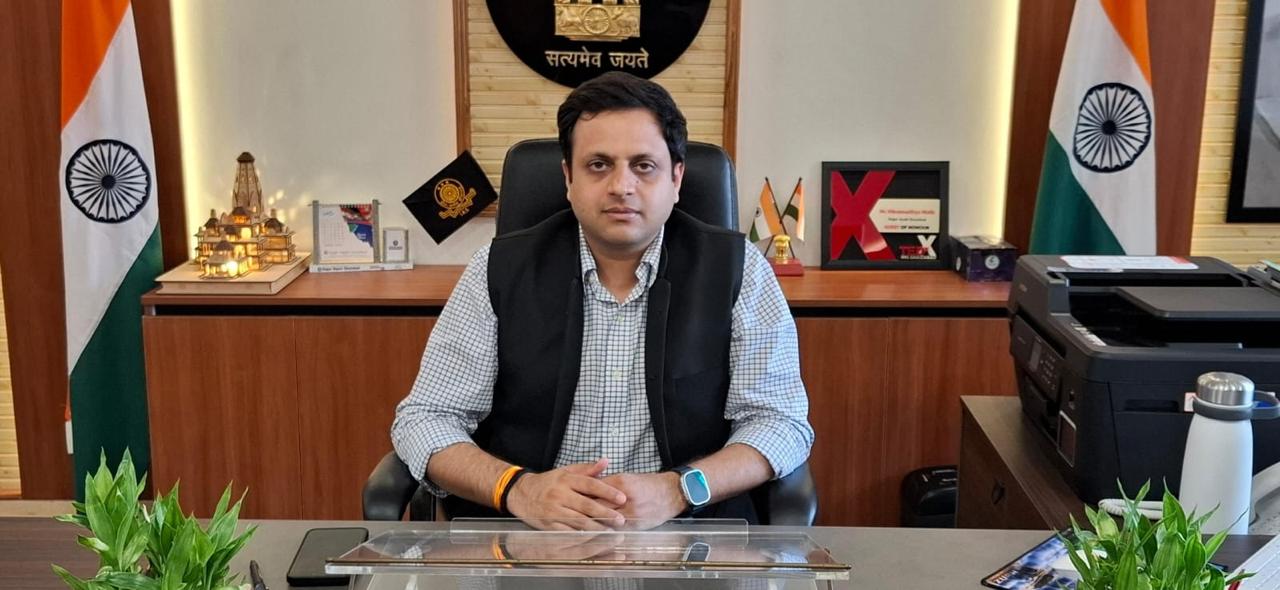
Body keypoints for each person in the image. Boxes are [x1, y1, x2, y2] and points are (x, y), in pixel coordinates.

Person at [391, 71, 812, 531]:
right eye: (598, 165)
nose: (621, 186)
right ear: (568, 177)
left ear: (676, 178)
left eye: (643, 166)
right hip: (527, 538)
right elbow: (425, 418)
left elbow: (780, 423)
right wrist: (518, 489)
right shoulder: (497, 269)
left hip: (687, 537)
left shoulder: (739, 269)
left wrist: (679, 489)